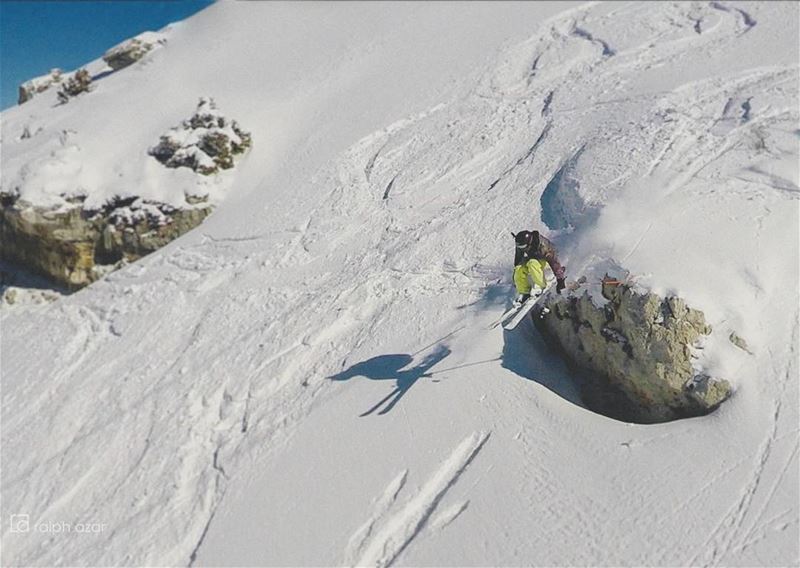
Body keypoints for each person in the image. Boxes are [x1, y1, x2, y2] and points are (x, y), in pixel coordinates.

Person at [512, 230, 566, 305]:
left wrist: (560, 280)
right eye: (520, 247)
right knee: (519, 268)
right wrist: (515, 277)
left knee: (532, 264)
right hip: (534, 259)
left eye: (523, 247)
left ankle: (540, 286)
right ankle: (524, 292)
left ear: (529, 242)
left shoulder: (543, 246)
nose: (522, 249)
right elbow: (518, 259)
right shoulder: (522, 245)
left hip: (546, 261)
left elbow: (554, 262)